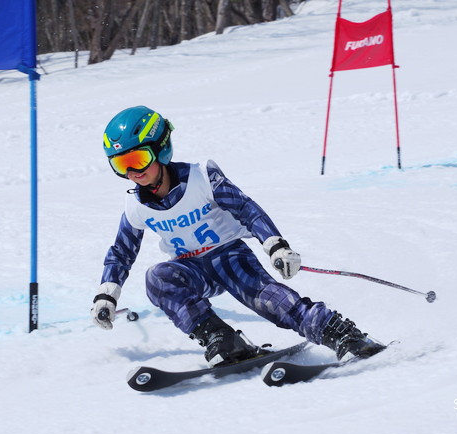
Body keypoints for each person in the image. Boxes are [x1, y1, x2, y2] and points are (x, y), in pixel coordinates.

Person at [91, 106, 385, 367]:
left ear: (161, 148)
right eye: (120, 164)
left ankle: (342, 334)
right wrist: (108, 294)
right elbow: (122, 251)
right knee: (158, 277)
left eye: (138, 159)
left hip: (229, 256)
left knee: (271, 303)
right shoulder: (136, 205)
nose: (132, 172)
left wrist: (275, 245)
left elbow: (245, 208)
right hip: (192, 270)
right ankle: (221, 339)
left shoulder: (202, 178)